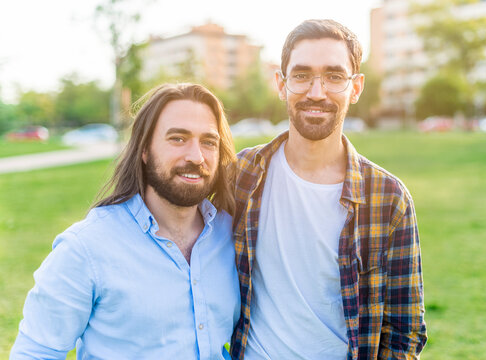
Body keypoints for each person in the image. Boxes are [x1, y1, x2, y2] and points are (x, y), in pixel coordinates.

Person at [230, 19, 427, 359]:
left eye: (334, 76)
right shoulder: (240, 175)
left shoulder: (389, 198)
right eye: (302, 75)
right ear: (281, 83)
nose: (316, 92)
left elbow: (404, 331)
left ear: (355, 87)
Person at [10, 83, 240, 359]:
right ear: (144, 150)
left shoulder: (232, 236)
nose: (196, 156)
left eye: (208, 142)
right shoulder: (86, 249)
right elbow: (35, 353)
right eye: (178, 139)